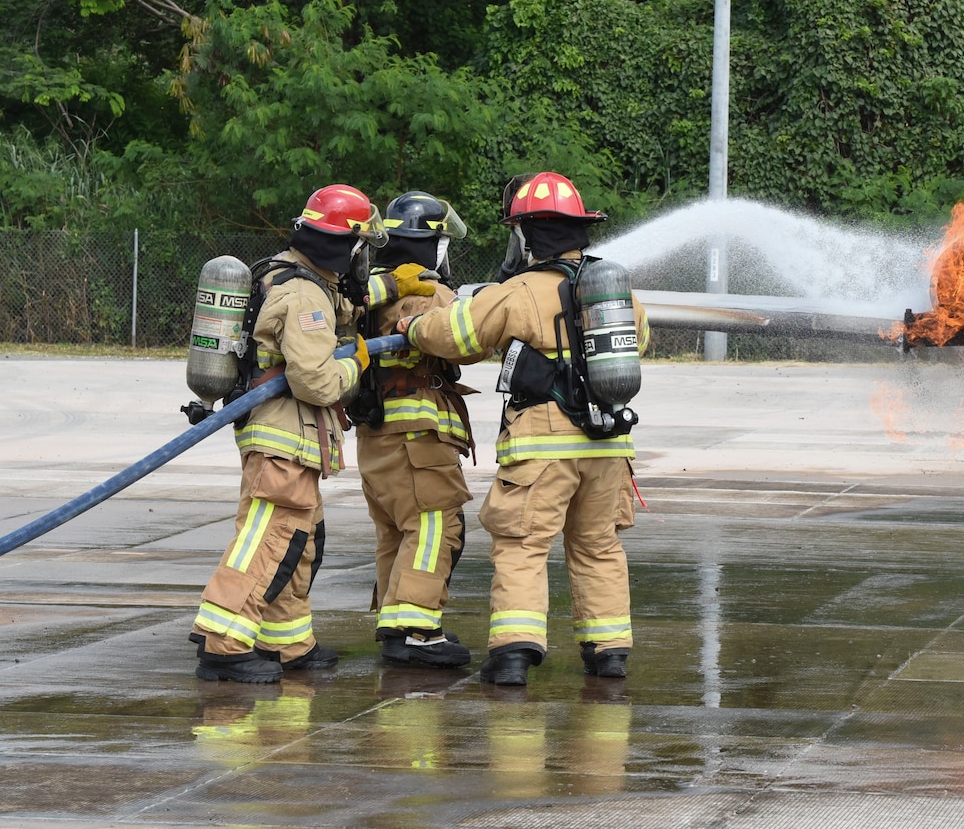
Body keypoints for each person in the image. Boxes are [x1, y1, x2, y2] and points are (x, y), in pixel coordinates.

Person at [398, 172, 648, 686]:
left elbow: (458, 335)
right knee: (599, 545)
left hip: (542, 446)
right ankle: (610, 653)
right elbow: (636, 342)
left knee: (522, 544)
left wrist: (412, 327)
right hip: (609, 445)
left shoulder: (518, 291)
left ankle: (513, 654)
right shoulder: (616, 290)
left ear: (526, 233)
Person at [190, 184, 383, 683]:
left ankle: (288, 640)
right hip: (284, 439)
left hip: (287, 438)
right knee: (267, 540)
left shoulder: (290, 276)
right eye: (361, 248)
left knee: (298, 541)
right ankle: (225, 643)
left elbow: (339, 313)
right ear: (348, 246)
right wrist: (355, 367)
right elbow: (316, 380)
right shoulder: (303, 295)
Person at [356, 191, 488, 668]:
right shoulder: (426, 290)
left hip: (377, 437)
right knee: (435, 524)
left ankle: (397, 619)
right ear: (428, 244)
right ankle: (415, 629)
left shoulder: (369, 288)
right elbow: (468, 343)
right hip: (417, 438)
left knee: (396, 530)